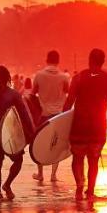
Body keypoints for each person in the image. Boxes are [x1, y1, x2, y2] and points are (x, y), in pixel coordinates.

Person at [64, 49, 107, 202]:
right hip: (98, 126)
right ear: (103, 61)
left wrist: (61, 124)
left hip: (79, 126)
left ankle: (79, 188)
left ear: (89, 60)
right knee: (93, 159)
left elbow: (69, 102)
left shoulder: (78, 78)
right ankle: (90, 191)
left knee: (77, 158)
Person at [0, 65, 34, 200]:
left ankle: (1, 190)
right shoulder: (14, 94)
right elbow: (24, 115)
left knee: (0, 163)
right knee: (11, 161)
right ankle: (3, 188)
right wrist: (32, 132)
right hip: (10, 133)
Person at [31, 50, 70, 182]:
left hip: (43, 114)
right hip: (59, 116)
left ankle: (40, 173)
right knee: (57, 145)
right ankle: (53, 175)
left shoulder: (39, 75)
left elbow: (33, 94)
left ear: (46, 60)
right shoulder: (64, 77)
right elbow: (67, 92)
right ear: (58, 61)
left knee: (39, 143)